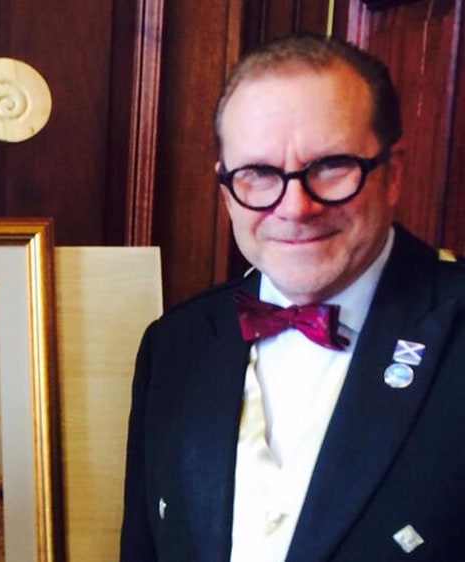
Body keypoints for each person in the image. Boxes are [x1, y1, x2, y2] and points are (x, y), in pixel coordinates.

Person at [120, 33, 465, 562]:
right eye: (258, 174)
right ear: (225, 190)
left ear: (392, 174)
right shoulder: (174, 345)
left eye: (329, 166)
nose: (295, 207)